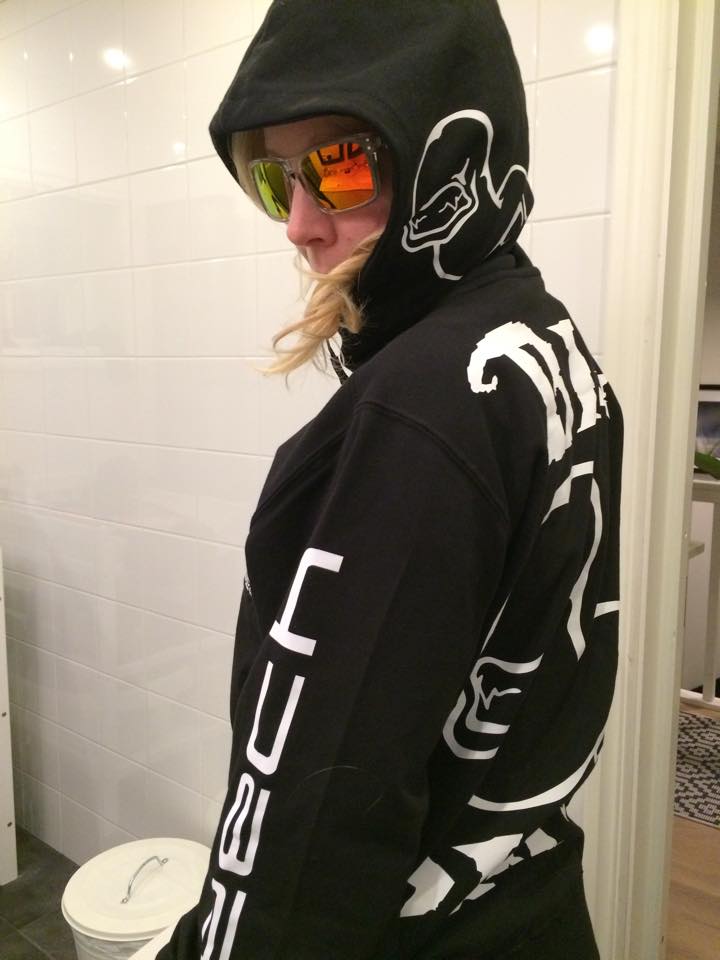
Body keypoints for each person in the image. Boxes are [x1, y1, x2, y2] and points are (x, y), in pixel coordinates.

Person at [158, 1, 623, 958]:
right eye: (273, 177)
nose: (299, 225)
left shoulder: (422, 404)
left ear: (449, 147)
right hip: (527, 904)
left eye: (340, 165)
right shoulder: (542, 338)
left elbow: (310, 827)